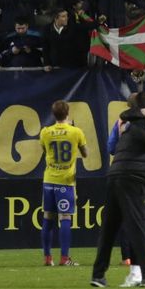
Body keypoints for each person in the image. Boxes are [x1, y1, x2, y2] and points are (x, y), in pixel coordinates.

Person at [89, 90, 145, 289]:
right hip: (132, 175)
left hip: (115, 172)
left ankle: (98, 275)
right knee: (139, 226)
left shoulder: (124, 120)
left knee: (109, 228)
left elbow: (112, 145)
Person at [39, 98, 89, 266]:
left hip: (49, 180)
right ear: (68, 113)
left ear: (53, 114)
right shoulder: (76, 132)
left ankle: (47, 257)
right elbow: (86, 153)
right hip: (66, 181)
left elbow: (45, 150)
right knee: (65, 217)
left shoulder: (45, 132)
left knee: (48, 217)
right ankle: (64, 258)